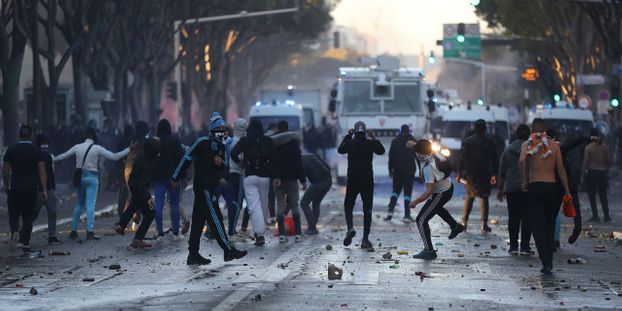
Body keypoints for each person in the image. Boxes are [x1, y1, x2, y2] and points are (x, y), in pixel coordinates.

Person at [173, 112, 247, 265]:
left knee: (199, 221)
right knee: (216, 219)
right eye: (219, 128)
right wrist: (176, 177)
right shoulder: (201, 142)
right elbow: (186, 159)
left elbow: (225, 167)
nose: (222, 131)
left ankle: (193, 253)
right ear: (213, 129)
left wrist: (222, 173)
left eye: (224, 128)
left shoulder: (221, 145)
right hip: (203, 187)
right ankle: (228, 250)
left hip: (212, 186)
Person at [54, 127, 134, 240]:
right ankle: (89, 232)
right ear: (94, 136)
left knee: (79, 205)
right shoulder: (97, 148)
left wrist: (51, 158)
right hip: (92, 179)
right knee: (90, 205)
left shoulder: (77, 147)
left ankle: (73, 231)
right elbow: (114, 157)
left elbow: (63, 156)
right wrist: (129, 149)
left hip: (80, 179)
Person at [519, 118, 571, 274]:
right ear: (545, 131)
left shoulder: (527, 144)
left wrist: (524, 181)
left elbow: (522, 161)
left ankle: (546, 261)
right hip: (552, 188)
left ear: (532, 131)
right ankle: (550, 259)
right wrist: (567, 191)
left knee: (537, 226)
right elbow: (561, 169)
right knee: (549, 224)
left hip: (536, 186)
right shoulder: (554, 145)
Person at [409, 140, 464, 259]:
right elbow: (411, 144)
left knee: (421, 219)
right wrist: (414, 145)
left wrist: (415, 201)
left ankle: (429, 250)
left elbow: (429, 191)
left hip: (440, 193)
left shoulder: (429, 168)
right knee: (435, 208)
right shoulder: (435, 153)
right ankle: (456, 226)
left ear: (421, 154)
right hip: (447, 187)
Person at [338, 121, 385, 249]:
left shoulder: (350, 143)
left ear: (354, 131)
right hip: (367, 180)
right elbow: (381, 151)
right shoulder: (370, 143)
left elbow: (340, 150)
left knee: (348, 205)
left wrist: (348, 136)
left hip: (353, 179)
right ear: (365, 132)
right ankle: (365, 239)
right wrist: (373, 137)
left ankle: (350, 228)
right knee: (367, 210)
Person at [231, 119, 276, 246]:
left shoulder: (245, 140)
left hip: (250, 176)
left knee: (253, 206)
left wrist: (241, 163)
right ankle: (260, 231)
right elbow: (274, 158)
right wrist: (274, 175)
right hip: (265, 177)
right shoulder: (268, 140)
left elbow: (233, 153)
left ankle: (260, 234)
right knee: (263, 205)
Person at [3, 125, 47, 253]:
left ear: (19, 135)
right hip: (30, 188)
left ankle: (15, 231)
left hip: (15, 187)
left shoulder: (11, 150)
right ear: (31, 136)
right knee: (28, 217)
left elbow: (5, 170)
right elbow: (42, 172)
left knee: (14, 214)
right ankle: (26, 244)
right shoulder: (37, 152)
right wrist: (44, 189)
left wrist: (7, 185)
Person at [115, 138, 161, 248]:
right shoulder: (149, 164)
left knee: (133, 206)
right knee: (150, 214)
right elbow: (143, 184)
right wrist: (148, 197)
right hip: (141, 191)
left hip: (133, 186)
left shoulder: (140, 157)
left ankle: (121, 225)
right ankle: (138, 238)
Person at [497, 125, 532, 255]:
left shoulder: (508, 150)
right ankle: (525, 247)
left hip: (511, 189)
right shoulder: (532, 150)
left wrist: (500, 189)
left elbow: (501, 172)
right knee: (527, 218)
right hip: (528, 188)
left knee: (513, 217)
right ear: (529, 134)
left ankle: (513, 246)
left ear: (516, 134)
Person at [457, 119, 498, 233]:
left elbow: (462, 158)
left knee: (470, 196)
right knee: (484, 197)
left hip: (471, 173)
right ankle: (484, 224)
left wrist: (459, 173)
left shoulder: (468, 141)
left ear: (475, 128)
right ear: (485, 128)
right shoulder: (491, 142)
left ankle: (464, 222)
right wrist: (495, 174)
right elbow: (495, 160)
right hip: (485, 173)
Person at [272, 121, 306, 243]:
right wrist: (303, 180)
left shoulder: (273, 143)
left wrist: (275, 177)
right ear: (287, 129)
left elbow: (272, 162)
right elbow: (298, 163)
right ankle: (298, 234)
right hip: (292, 178)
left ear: (278, 129)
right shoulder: (293, 143)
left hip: (278, 180)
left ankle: (282, 234)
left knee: (280, 206)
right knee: (295, 205)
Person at [153, 119, 185, 240]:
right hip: (173, 178)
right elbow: (181, 160)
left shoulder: (155, 142)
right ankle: (176, 232)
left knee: (158, 205)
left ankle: (160, 233)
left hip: (158, 178)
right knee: (175, 204)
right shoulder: (175, 141)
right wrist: (182, 176)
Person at [34, 134, 63, 245]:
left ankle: (23, 233)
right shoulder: (47, 155)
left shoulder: (37, 153)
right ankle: (52, 235)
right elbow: (48, 173)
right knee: (51, 212)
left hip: (40, 189)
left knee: (34, 214)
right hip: (45, 189)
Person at [385, 124, 416, 222]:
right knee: (407, 193)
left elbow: (391, 157)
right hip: (409, 171)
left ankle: (390, 213)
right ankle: (407, 215)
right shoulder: (413, 141)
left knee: (395, 191)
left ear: (400, 131)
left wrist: (390, 170)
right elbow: (418, 157)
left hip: (397, 171)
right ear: (409, 131)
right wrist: (421, 171)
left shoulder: (395, 141)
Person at [582, 128, 613, 222]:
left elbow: (585, 163)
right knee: (603, 195)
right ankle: (606, 216)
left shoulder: (589, 147)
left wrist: (582, 175)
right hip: (602, 172)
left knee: (592, 195)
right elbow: (609, 160)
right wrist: (606, 170)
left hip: (592, 173)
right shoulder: (605, 147)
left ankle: (595, 216)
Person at [225, 118, 248, 239]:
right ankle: (232, 229)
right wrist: (241, 163)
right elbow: (237, 157)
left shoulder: (231, 140)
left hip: (230, 173)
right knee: (237, 202)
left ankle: (232, 227)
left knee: (233, 201)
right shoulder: (239, 142)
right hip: (237, 173)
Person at [300, 153, 332, 235]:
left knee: (304, 203)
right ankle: (312, 227)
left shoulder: (299, 162)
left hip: (318, 182)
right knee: (316, 203)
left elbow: (302, 176)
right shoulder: (311, 155)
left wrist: (303, 184)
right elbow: (327, 166)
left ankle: (312, 228)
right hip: (328, 181)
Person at [116, 125, 134, 221]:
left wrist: (117, 175)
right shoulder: (134, 142)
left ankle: (121, 216)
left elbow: (117, 161)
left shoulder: (121, 143)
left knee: (123, 195)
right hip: (133, 172)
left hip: (123, 172)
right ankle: (135, 216)